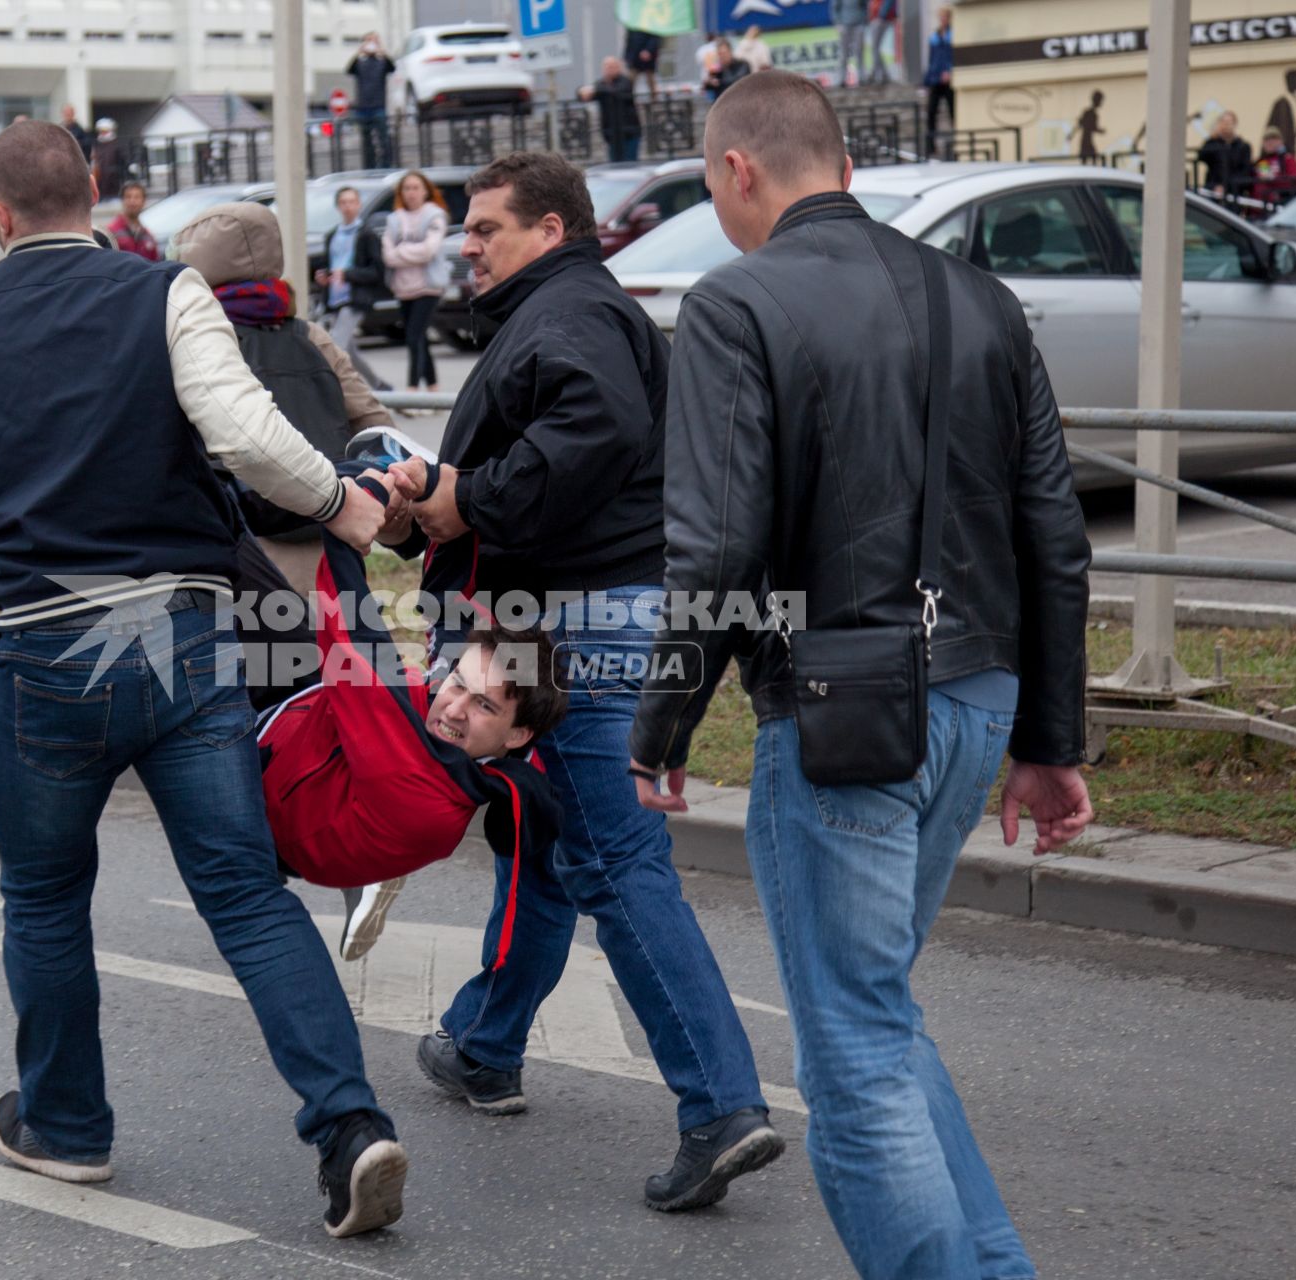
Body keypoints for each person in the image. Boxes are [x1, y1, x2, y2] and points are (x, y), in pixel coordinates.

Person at [629, 72, 1092, 1278]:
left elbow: (719, 545)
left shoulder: (735, 304)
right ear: (835, 158)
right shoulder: (981, 296)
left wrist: (664, 721)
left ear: (738, 170)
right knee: (878, 1012)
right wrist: (1050, 737)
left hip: (844, 713)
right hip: (981, 697)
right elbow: (1054, 531)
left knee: (851, 1046)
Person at [0, 120, 404, 1239]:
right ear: (96, 191)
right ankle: (349, 1125)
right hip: (182, 638)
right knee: (243, 892)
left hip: (44, 647)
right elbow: (245, 434)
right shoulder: (163, 294)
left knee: (42, 898)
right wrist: (340, 503)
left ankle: (67, 1125)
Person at [385, 151, 784, 1213]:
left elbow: (592, 436)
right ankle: (484, 1042)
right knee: (553, 837)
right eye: (464, 229)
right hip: (574, 617)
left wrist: (469, 498)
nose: (463, 243)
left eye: (484, 228)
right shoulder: (560, 311)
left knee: (615, 863)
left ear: (550, 231)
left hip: (565, 630)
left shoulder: (568, 315)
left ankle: (722, 1106)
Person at [259, 506, 566, 964]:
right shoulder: (502, 757)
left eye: (483, 706)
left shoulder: (413, 779)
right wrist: (451, 504)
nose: (455, 707)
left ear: (519, 733)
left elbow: (351, 634)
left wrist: (343, 520)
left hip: (262, 796)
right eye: (459, 682)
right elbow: (456, 609)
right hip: (307, 725)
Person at [170, 200, 395, 595]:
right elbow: (374, 424)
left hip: (248, 543)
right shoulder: (310, 336)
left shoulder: (196, 337)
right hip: (333, 533)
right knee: (333, 651)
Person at [317, 186, 392, 393]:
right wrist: (324, 277)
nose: (348, 207)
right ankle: (380, 386)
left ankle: (337, 393)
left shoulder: (367, 235)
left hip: (355, 298)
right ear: (338, 206)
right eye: (343, 203)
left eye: (352, 202)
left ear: (358, 204)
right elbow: (328, 264)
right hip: (335, 298)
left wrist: (348, 275)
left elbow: (377, 272)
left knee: (335, 348)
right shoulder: (332, 235)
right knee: (350, 351)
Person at [380, 171, 447, 394]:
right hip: (403, 288)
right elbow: (387, 254)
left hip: (428, 286)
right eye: (407, 188)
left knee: (413, 337)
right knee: (421, 339)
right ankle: (433, 388)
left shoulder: (434, 215)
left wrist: (401, 252)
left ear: (426, 190)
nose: (411, 193)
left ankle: (412, 390)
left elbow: (429, 250)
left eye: (416, 187)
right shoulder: (394, 218)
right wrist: (409, 253)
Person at [579, 57, 642, 163]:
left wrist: (595, 90)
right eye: (607, 67)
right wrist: (582, 92)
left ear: (619, 68)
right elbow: (583, 95)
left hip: (629, 131)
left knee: (631, 164)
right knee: (614, 164)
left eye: (612, 66)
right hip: (611, 133)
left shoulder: (625, 81)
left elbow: (617, 91)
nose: (609, 69)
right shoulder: (601, 84)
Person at [346, 34, 395, 169]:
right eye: (369, 41)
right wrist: (359, 52)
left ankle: (386, 165)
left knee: (383, 139)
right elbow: (349, 70)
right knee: (366, 141)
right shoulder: (360, 63)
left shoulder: (382, 62)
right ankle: (369, 166)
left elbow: (392, 68)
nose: (371, 44)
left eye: (374, 41)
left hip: (378, 106)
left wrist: (382, 52)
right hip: (363, 107)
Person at [1197, 111, 1254, 207]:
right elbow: (1201, 156)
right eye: (1223, 122)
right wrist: (1213, 137)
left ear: (1235, 125)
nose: (1226, 126)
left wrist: (1226, 187)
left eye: (1229, 123)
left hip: (1234, 193)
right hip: (1213, 190)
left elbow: (1245, 171)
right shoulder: (1213, 143)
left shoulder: (1243, 146)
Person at [1252, 126, 1296, 211]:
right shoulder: (1261, 162)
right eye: (1267, 139)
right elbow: (1263, 182)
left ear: (1281, 142)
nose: (1270, 142)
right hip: (1261, 210)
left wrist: (1273, 180)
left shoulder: (1288, 159)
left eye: (1274, 139)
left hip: (1282, 206)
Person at [923, 7, 955, 145]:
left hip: (949, 79)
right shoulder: (935, 36)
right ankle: (931, 145)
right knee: (931, 112)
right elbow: (932, 59)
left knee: (954, 112)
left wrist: (950, 71)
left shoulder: (953, 34)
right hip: (936, 79)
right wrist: (927, 80)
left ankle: (957, 142)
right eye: (941, 17)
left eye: (945, 17)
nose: (942, 20)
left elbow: (954, 56)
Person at [106, 181, 158, 260]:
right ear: (122, 201)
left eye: (137, 197)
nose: (132, 201)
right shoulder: (111, 232)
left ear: (144, 202)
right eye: (128, 197)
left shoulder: (148, 236)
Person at [833, 0, 870, 87]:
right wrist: (838, 23)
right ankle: (841, 79)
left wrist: (864, 21)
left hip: (858, 24)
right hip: (845, 25)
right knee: (843, 54)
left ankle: (862, 78)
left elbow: (865, 6)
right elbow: (835, 8)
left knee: (859, 53)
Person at [622, 25, 662, 99]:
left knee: (651, 81)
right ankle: (629, 102)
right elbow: (629, 41)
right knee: (629, 83)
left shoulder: (651, 24)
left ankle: (655, 102)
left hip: (648, 60)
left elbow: (655, 39)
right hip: (635, 60)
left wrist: (648, 50)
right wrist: (627, 57)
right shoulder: (632, 26)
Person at [865, 0, 896, 86]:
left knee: (875, 48)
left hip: (881, 19)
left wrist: (881, 16)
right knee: (875, 49)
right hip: (877, 18)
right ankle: (882, 74)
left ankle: (876, 74)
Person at [90, 118, 121, 200]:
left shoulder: (116, 145)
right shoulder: (97, 145)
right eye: (101, 131)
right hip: (100, 180)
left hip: (113, 182)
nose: (103, 133)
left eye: (105, 131)